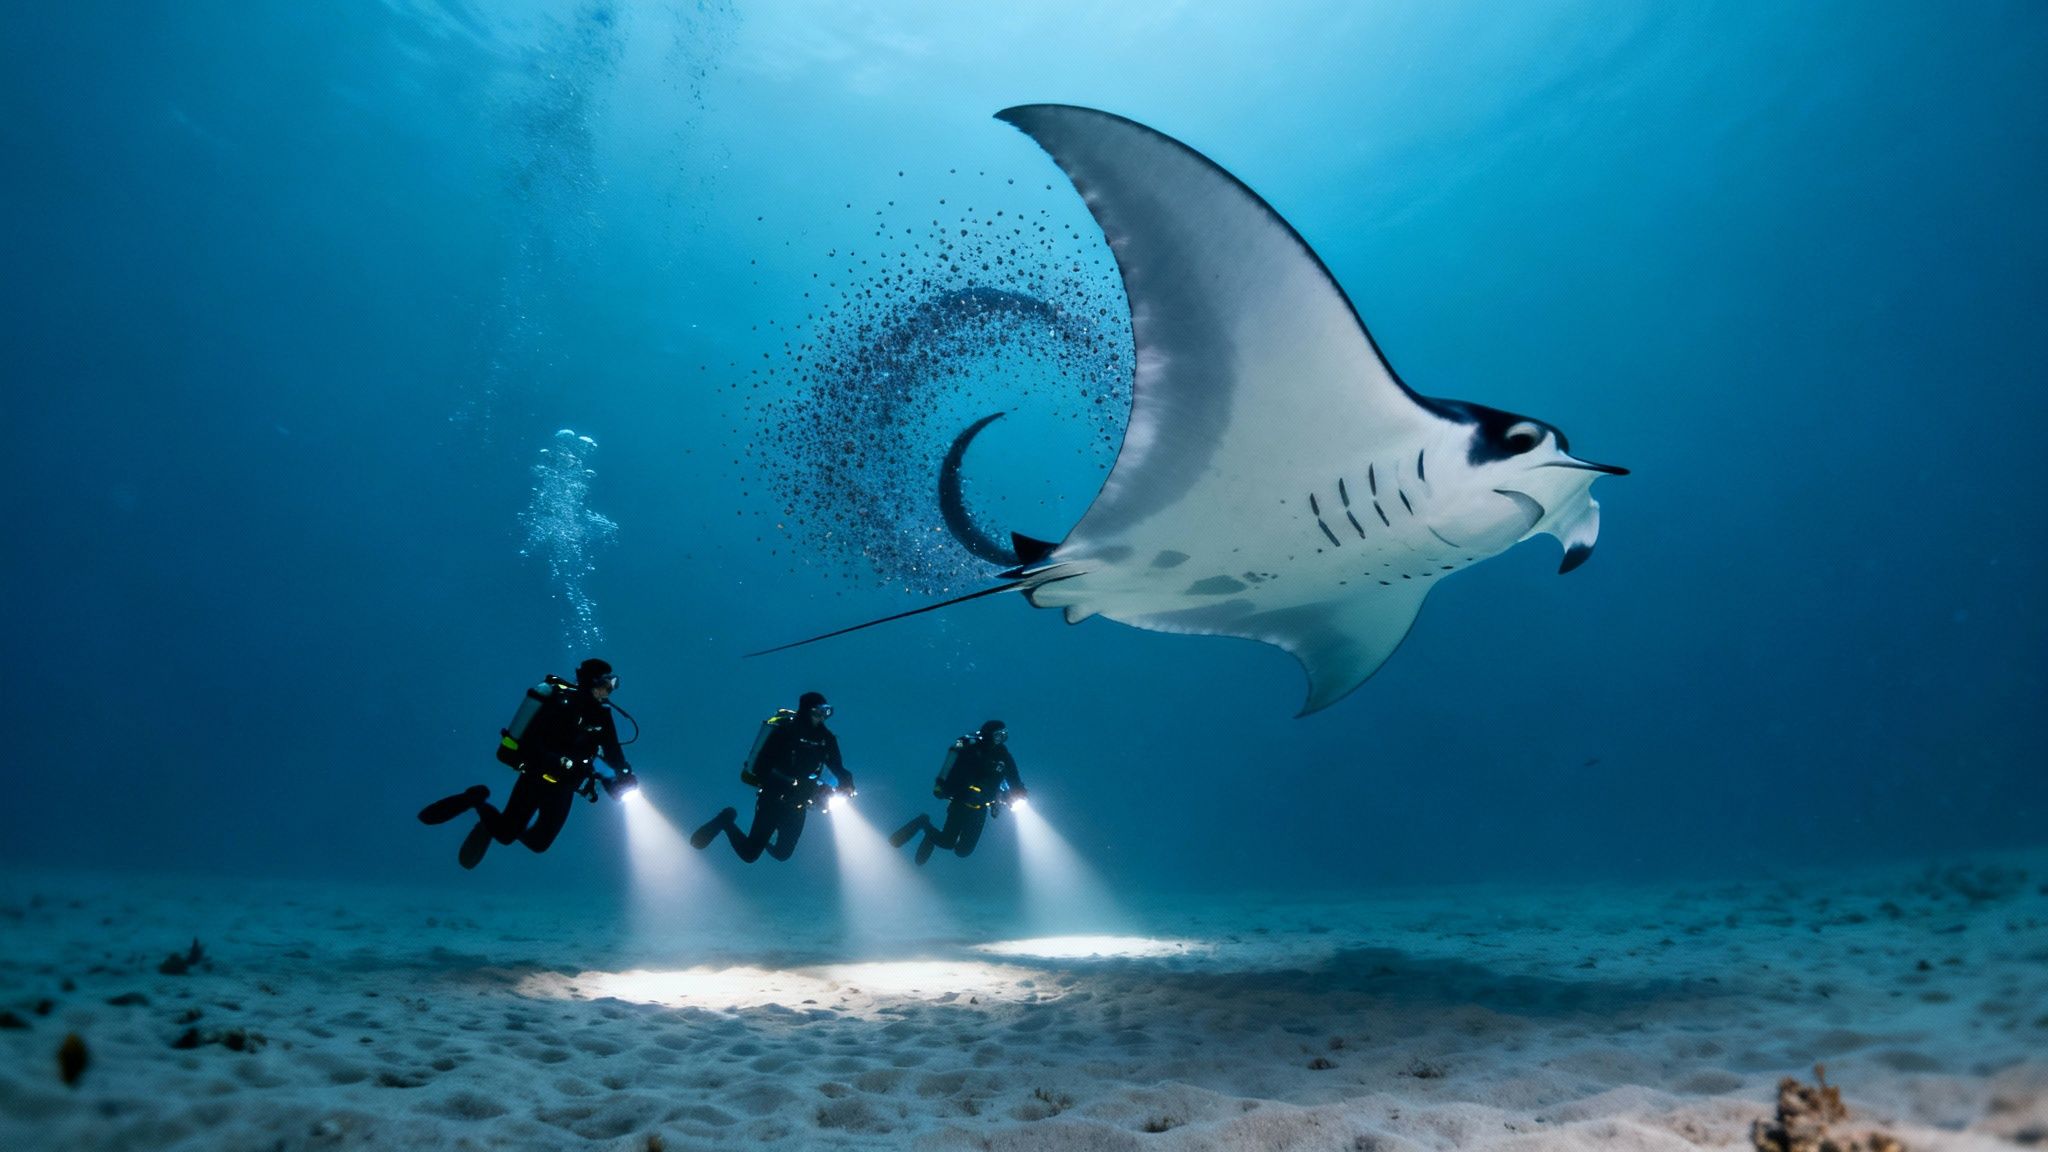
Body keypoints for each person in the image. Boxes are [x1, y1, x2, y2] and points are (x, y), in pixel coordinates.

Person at [418, 658, 636, 869]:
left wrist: (624, 775)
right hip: (535, 777)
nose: (610, 690)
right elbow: (533, 739)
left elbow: (612, 751)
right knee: (505, 835)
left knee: (539, 843)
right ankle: (476, 800)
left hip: (564, 786)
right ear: (592, 681)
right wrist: (555, 760)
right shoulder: (560, 704)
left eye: (613, 684)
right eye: (607, 683)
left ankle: (492, 824)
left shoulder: (602, 715)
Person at [690, 691, 852, 863]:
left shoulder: (826, 739)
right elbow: (761, 766)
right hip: (773, 799)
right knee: (750, 854)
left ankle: (760, 840)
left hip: (799, 804)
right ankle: (725, 821)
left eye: (826, 712)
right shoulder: (785, 732)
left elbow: (838, 767)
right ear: (806, 710)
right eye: (818, 711)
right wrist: (787, 783)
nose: (822, 717)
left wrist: (847, 785)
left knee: (783, 853)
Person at [889, 719, 1026, 865]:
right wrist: (947, 788)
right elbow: (956, 772)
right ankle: (923, 823)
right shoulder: (971, 749)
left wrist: (1020, 794)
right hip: (961, 802)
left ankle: (930, 834)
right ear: (988, 734)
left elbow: (1014, 779)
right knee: (947, 842)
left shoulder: (1004, 756)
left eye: (1004, 735)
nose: (1001, 738)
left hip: (981, 808)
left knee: (963, 851)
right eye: (998, 735)